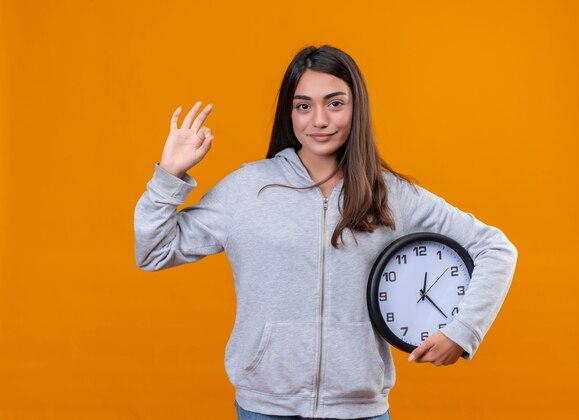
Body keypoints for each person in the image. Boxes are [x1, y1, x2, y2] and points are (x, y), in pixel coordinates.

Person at [134, 45, 517, 420]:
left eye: (335, 103)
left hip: (361, 411)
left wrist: (462, 331)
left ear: (356, 109)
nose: (319, 120)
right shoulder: (247, 189)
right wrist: (169, 176)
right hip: (264, 410)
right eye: (304, 106)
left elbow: (494, 247)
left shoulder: (391, 194)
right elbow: (153, 251)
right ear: (290, 112)